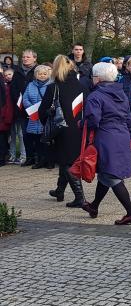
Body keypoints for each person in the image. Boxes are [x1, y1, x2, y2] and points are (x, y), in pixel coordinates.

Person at [80, 62, 131, 225]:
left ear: (97, 78)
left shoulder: (95, 96)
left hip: (106, 136)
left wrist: (81, 123)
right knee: (106, 173)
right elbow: (129, 117)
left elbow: (93, 120)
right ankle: (94, 206)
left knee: (112, 176)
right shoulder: (122, 94)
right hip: (122, 135)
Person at [39, 55, 85, 206]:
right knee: (67, 159)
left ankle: (80, 197)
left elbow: (42, 110)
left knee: (66, 163)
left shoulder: (53, 87)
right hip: (78, 127)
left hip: (61, 128)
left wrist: (47, 121)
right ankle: (60, 190)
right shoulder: (81, 85)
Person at [22, 64, 52, 169]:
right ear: (36, 75)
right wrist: (32, 108)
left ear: (48, 74)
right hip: (34, 116)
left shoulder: (52, 85)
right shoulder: (30, 85)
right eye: (40, 73)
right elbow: (25, 99)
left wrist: (43, 109)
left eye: (45, 74)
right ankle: (39, 160)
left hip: (46, 117)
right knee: (36, 139)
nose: (42, 75)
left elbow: (53, 99)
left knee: (47, 139)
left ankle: (49, 161)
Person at [11, 49, 37, 165]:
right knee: (25, 134)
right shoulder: (17, 72)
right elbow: (13, 88)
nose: (25, 59)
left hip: (35, 107)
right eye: (24, 57)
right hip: (21, 108)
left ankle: (38, 157)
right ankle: (29, 157)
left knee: (36, 133)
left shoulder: (38, 71)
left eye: (28, 57)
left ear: (34, 58)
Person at [0, 68, 14, 165]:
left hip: (2, 115)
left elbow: (6, 101)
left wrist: (7, 118)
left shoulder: (3, 84)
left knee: (2, 138)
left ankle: (2, 158)